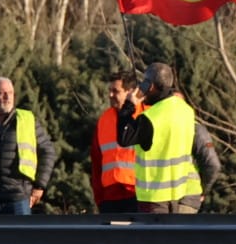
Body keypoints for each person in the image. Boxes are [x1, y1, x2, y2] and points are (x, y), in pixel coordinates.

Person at [115, 61, 220, 213]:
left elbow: (124, 137)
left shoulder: (150, 118)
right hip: (180, 193)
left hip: (154, 200)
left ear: (150, 87)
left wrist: (129, 106)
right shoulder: (186, 111)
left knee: (155, 238)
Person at [0, 76, 58, 214]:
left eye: (10, 93)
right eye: (2, 93)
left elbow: (48, 151)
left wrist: (39, 186)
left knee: (20, 236)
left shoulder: (27, 120)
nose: (7, 97)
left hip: (18, 198)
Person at [91, 71, 142, 213]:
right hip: (110, 197)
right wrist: (100, 198)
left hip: (138, 194)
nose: (110, 95)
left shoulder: (144, 116)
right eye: (109, 90)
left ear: (130, 92)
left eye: (115, 91)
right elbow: (96, 162)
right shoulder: (104, 120)